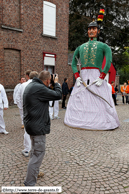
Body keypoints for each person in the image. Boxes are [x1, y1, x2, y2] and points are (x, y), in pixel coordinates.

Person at [64, 10, 120, 130]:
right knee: (80, 97)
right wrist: (77, 76)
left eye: (94, 29)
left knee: (100, 98)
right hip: (83, 76)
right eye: (89, 29)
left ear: (98, 31)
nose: (91, 31)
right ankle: (79, 120)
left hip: (96, 75)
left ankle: (103, 122)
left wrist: (102, 76)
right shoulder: (80, 47)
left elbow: (108, 62)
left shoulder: (104, 46)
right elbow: (74, 63)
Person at [23, 71, 62, 186]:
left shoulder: (33, 85)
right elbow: (58, 95)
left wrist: (52, 84)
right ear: (47, 81)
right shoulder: (40, 88)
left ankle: (34, 172)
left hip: (31, 124)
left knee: (35, 152)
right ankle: (29, 184)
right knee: (38, 154)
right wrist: (57, 84)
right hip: (37, 127)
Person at [16, 71, 38, 157]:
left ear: (28, 77)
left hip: (26, 110)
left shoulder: (22, 85)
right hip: (36, 110)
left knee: (27, 130)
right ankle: (35, 149)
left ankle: (27, 149)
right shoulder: (39, 86)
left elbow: (18, 98)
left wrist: (22, 108)